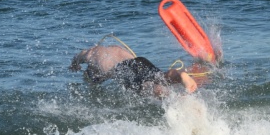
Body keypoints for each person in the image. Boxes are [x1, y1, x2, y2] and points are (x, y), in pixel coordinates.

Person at [70, 42, 198, 97]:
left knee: (148, 89)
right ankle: (179, 76)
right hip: (140, 61)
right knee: (160, 77)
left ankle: (173, 100)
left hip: (124, 69)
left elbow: (78, 57)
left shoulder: (91, 54)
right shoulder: (116, 48)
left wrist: (74, 65)